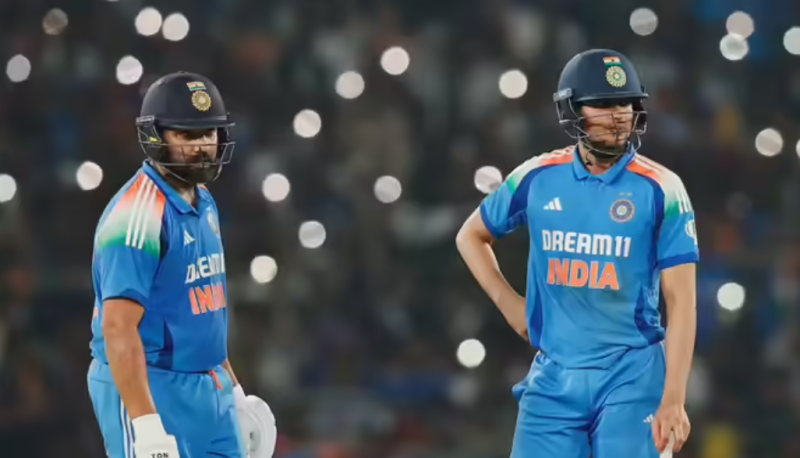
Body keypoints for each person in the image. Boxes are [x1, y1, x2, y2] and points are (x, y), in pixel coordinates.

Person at [456, 49, 698, 458]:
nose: (617, 116)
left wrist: (673, 397)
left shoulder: (662, 189)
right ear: (572, 110)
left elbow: (682, 302)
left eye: (625, 104)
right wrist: (513, 308)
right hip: (553, 378)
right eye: (602, 104)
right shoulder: (537, 177)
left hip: (633, 378)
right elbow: (471, 236)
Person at [87, 71, 277, 458]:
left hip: (208, 386)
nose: (202, 146)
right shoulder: (136, 217)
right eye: (186, 135)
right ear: (155, 137)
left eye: (208, 133)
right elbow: (118, 327)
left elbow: (204, 314)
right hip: (150, 385)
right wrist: (145, 425)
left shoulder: (204, 202)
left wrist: (235, 393)